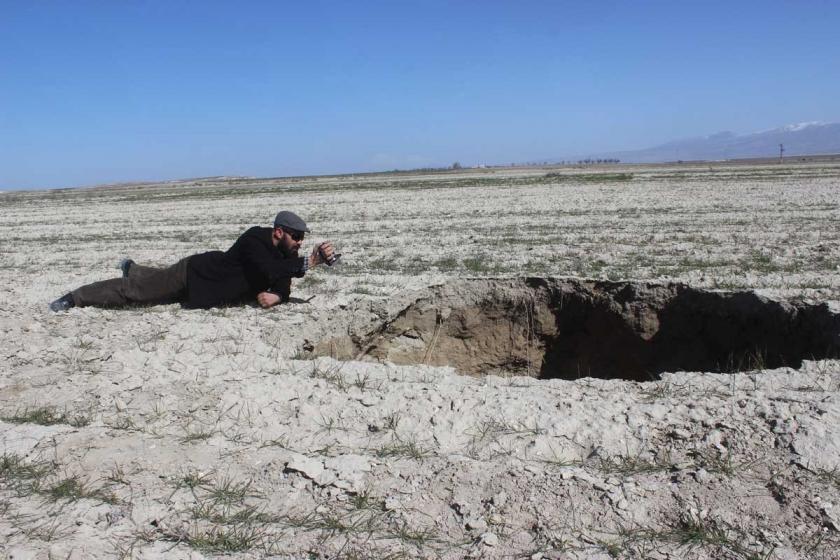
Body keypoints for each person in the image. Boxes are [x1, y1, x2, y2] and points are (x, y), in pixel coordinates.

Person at [49, 211, 336, 311]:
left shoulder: (287, 253)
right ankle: (75, 297)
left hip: (206, 289)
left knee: (153, 280)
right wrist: (310, 263)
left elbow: (281, 281)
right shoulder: (254, 240)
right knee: (139, 293)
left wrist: (278, 297)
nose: (299, 242)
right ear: (278, 232)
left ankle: (132, 268)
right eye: (296, 236)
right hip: (195, 274)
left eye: (302, 238)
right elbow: (268, 270)